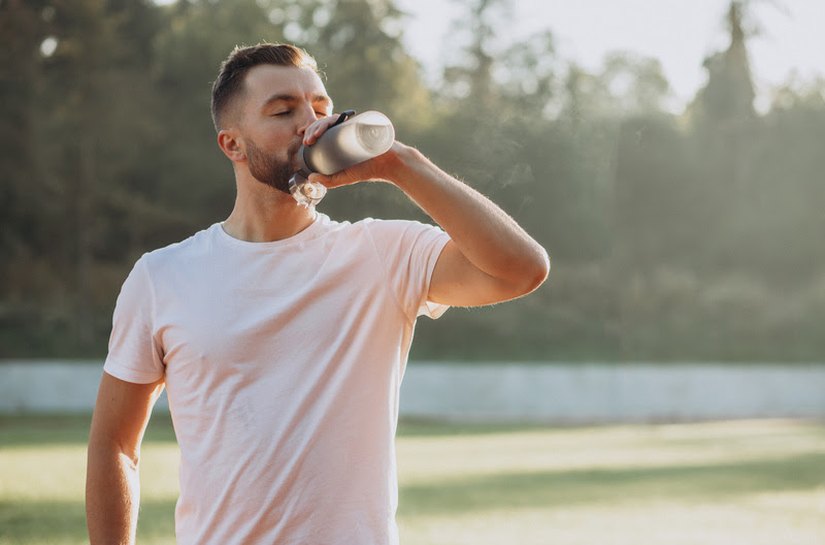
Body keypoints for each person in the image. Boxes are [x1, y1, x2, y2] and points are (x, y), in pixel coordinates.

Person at [85, 43, 549, 545]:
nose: (310, 124)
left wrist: (401, 164)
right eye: (283, 111)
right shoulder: (162, 277)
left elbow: (520, 270)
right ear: (232, 144)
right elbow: (115, 445)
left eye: (322, 109)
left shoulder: (382, 252)